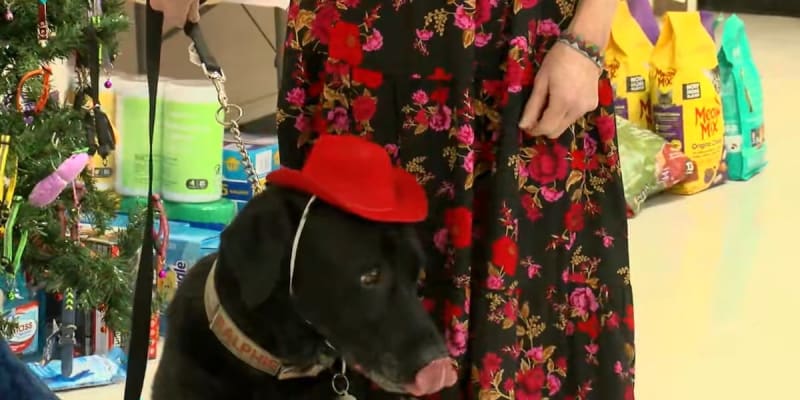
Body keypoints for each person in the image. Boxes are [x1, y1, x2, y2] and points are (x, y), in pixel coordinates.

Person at [152, 0, 635, 398]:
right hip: (356, 53)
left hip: (512, 59)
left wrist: (588, 37)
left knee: (522, 319)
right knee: (336, 278)